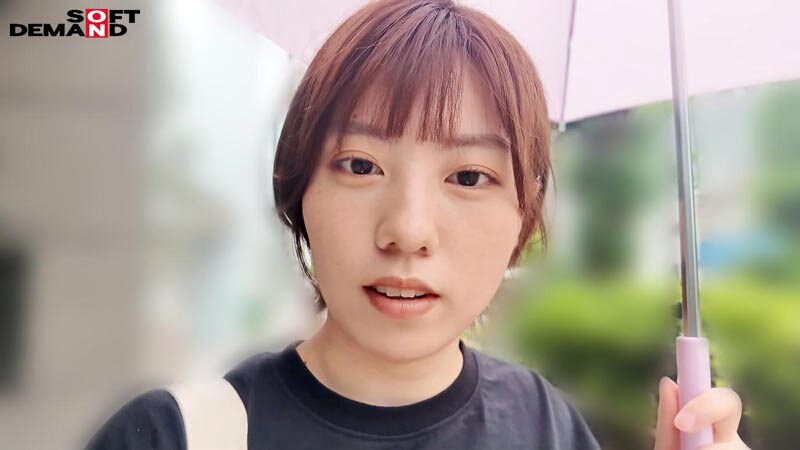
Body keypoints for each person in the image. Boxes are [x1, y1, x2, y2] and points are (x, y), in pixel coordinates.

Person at [86, 1, 749, 449]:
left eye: (469, 177)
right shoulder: (170, 437)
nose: (407, 230)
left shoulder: (547, 427)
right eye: (360, 165)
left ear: (524, 215)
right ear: (298, 186)